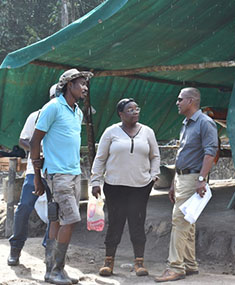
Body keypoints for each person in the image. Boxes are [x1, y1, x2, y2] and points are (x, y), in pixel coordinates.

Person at [30, 68, 93, 285]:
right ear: (69, 85)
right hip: (58, 174)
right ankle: (56, 270)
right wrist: (37, 177)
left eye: (86, 84)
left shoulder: (77, 111)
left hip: (74, 172)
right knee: (72, 219)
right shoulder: (53, 107)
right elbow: (34, 141)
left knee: (56, 220)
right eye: (81, 84)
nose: (85, 88)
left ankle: (54, 271)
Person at [90, 98, 160, 277]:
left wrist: (153, 175)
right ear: (120, 114)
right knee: (115, 222)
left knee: (137, 222)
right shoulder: (111, 132)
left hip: (140, 186)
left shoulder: (147, 132)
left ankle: (139, 263)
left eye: (137, 109)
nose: (135, 112)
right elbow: (100, 158)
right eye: (130, 110)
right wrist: (96, 181)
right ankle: (108, 261)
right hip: (115, 187)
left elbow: (155, 155)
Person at [155, 87, 218, 283]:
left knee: (179, 220)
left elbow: (210, 153)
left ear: (191, 101)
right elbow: (182, 155)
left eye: (180, 99)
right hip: (183, 178)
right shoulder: (186, 124)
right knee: (188, 221)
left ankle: (175, 267)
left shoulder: (205, 124)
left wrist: (201, 180)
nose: (177, 102)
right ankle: (190, 264)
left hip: (193, 179)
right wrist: (174, 182)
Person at [7, 84, 57, 266]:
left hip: (57, 170)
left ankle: (49, 250)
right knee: (24, 208)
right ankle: (15, 248)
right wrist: (38, 150)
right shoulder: (36, 115)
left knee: (55, 211)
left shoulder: (68, 116)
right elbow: (23, 140)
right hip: (34, 169)